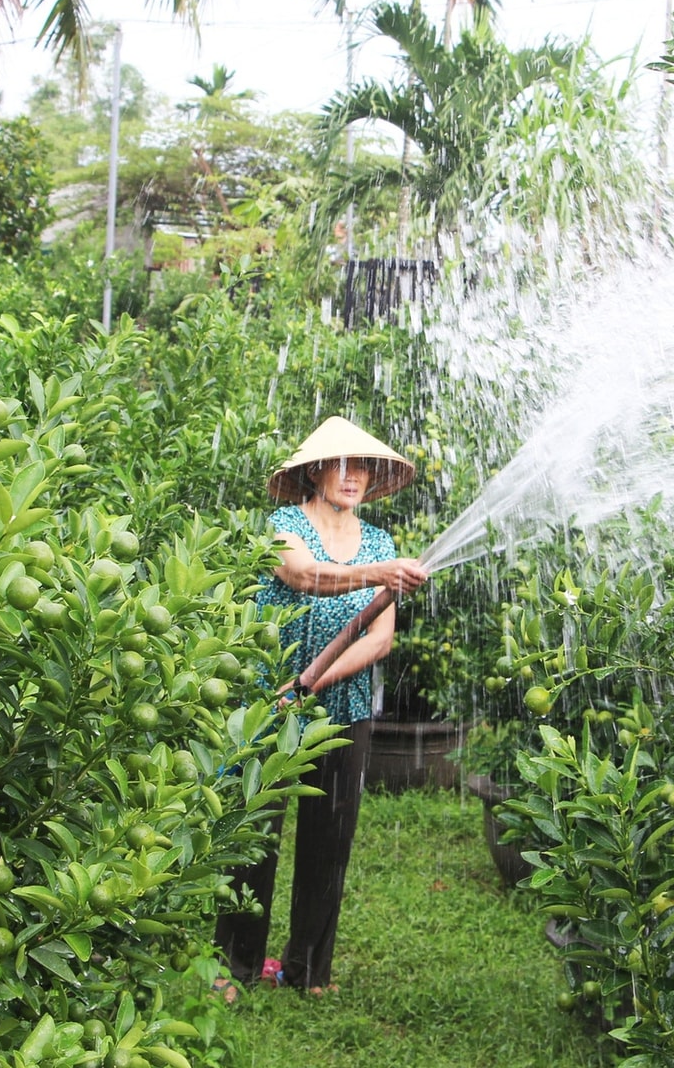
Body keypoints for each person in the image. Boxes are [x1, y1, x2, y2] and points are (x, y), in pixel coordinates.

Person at [214, 417, 430, 995]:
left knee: (329, 839)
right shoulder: (283, 525)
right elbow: (304, 576)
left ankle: (309, 970)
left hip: (343, 705)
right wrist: (375, 575)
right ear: (315, 471)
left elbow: (380, 639)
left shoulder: (382, 544)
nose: (352, 476)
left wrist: (316, 682)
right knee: (255, 835)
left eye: (361, 466)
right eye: (340, 464)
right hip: (271, 700)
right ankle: (235, 967)